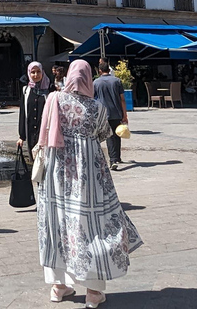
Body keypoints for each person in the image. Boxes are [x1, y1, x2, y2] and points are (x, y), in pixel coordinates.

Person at [36, 60, 143, 306]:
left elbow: (45, 130)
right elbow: (104, 134)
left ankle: (58, 286)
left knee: (57, 221)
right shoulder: (97, 107)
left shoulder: (54, 99)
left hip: (57, 173)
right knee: (92, 224)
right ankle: (93, 292)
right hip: (90, 176)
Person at [93, 58, 128, 171]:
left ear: (99, 71)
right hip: (117, 112)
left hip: (104, 113)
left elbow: (93, 99)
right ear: (109, 69)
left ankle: (112, 160)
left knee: (109, 137)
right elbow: (122, 99)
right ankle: (117, 157)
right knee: (117, 134)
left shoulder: (96, 83)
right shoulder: (117, 81)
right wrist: (125, 115)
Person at [18, 61, 54, 160]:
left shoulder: (49, 90)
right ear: (29, 73)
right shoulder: (26, 90)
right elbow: (23, 114)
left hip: (45, 132)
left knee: (45, 160)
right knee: (33, 160)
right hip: (30, 132)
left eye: (38, 72)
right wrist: (22, 136)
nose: (36, 75)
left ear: (42, 72)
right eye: (33, 72)